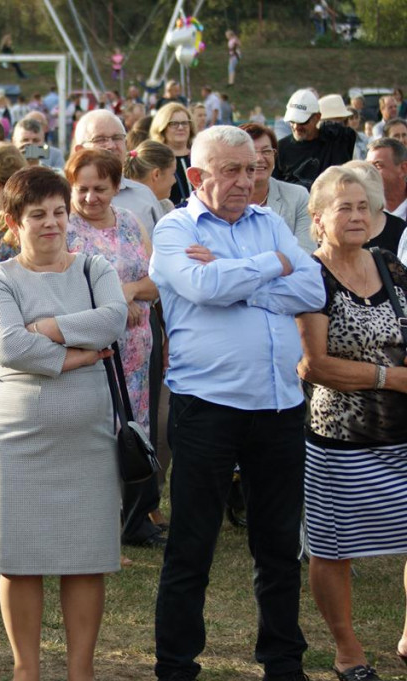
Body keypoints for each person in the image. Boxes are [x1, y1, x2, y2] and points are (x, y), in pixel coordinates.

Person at [150, 125, 326, 681]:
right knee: (192, 544)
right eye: (231, 170)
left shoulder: (269, 222)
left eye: (251, 169)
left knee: (277, 546)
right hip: (208, 405)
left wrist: (236, 280)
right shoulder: (174, 229)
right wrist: (275, 265)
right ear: (196, 176)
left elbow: (316, 290)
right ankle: (176, 664)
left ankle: (282, 659)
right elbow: (201, 288)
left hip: (278, 405)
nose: (246, 181)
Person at [0, 165, 126, 681]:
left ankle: (81, 671)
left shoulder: (94, 268)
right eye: (37, 214)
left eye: (59, 212)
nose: (51, 223)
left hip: (87, 439)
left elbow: (113, 319)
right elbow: (6, 345)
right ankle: (27, 671)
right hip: (17, 441)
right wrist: (78, 357)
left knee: (86, 557)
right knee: (19, 559)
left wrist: (48, 327)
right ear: (14, 223)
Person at [296, 165, 407, 681]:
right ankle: (347, 651)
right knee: (334, 548)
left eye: (365, 206)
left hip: (402, 435)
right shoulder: (311, 275)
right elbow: (314, 364)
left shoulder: (390, 265)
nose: (358, 215)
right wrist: (390, 378)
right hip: (340, 440)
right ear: (319, 219)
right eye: (345, 207)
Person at [66, 149, 162, 549]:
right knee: (96, 432)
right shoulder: (66, 230)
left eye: (100, 189)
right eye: (82, 189)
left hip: (136, 351)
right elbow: (63, 292)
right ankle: (94, 521)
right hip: (93, 350)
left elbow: (157, 281)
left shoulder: (130, 223)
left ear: (117, 187)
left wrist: (131, 292)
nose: (91, 198)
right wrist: (114, 304)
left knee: (135, 429)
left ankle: (136, 519)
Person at [74, 110, 164, 231]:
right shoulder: (64, 199)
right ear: (80, 150)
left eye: (117, 138)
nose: (111, 145)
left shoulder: (144, 196)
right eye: (100, 139)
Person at [240, 123, 315, 253]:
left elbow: (305, 255)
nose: (259, 158)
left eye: (266, 151)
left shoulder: (298, 197)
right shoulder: (221, 201)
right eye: (251, 151)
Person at [276, 89, 357, 189]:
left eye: (302, 122)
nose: (296, 127)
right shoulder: (281, 148)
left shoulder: (334, 141)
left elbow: (350, 137)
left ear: (317, 117)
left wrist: (335, 128)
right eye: (292, 121)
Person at [149, 103, 194, 207]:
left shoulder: (199, 157)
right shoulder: (155, 160)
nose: (181, 127)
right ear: (162, 127)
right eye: (174, 123)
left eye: (185, 123)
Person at [124, 140, 177, 215]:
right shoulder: (125, 211)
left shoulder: (165, 205)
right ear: (156, 174)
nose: (174, 180)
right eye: (172, 173)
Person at [367, 137, 407, 220]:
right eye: (368, 167)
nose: (369, 173)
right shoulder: (364, 211)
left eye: (377, 166)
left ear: (403, 169)